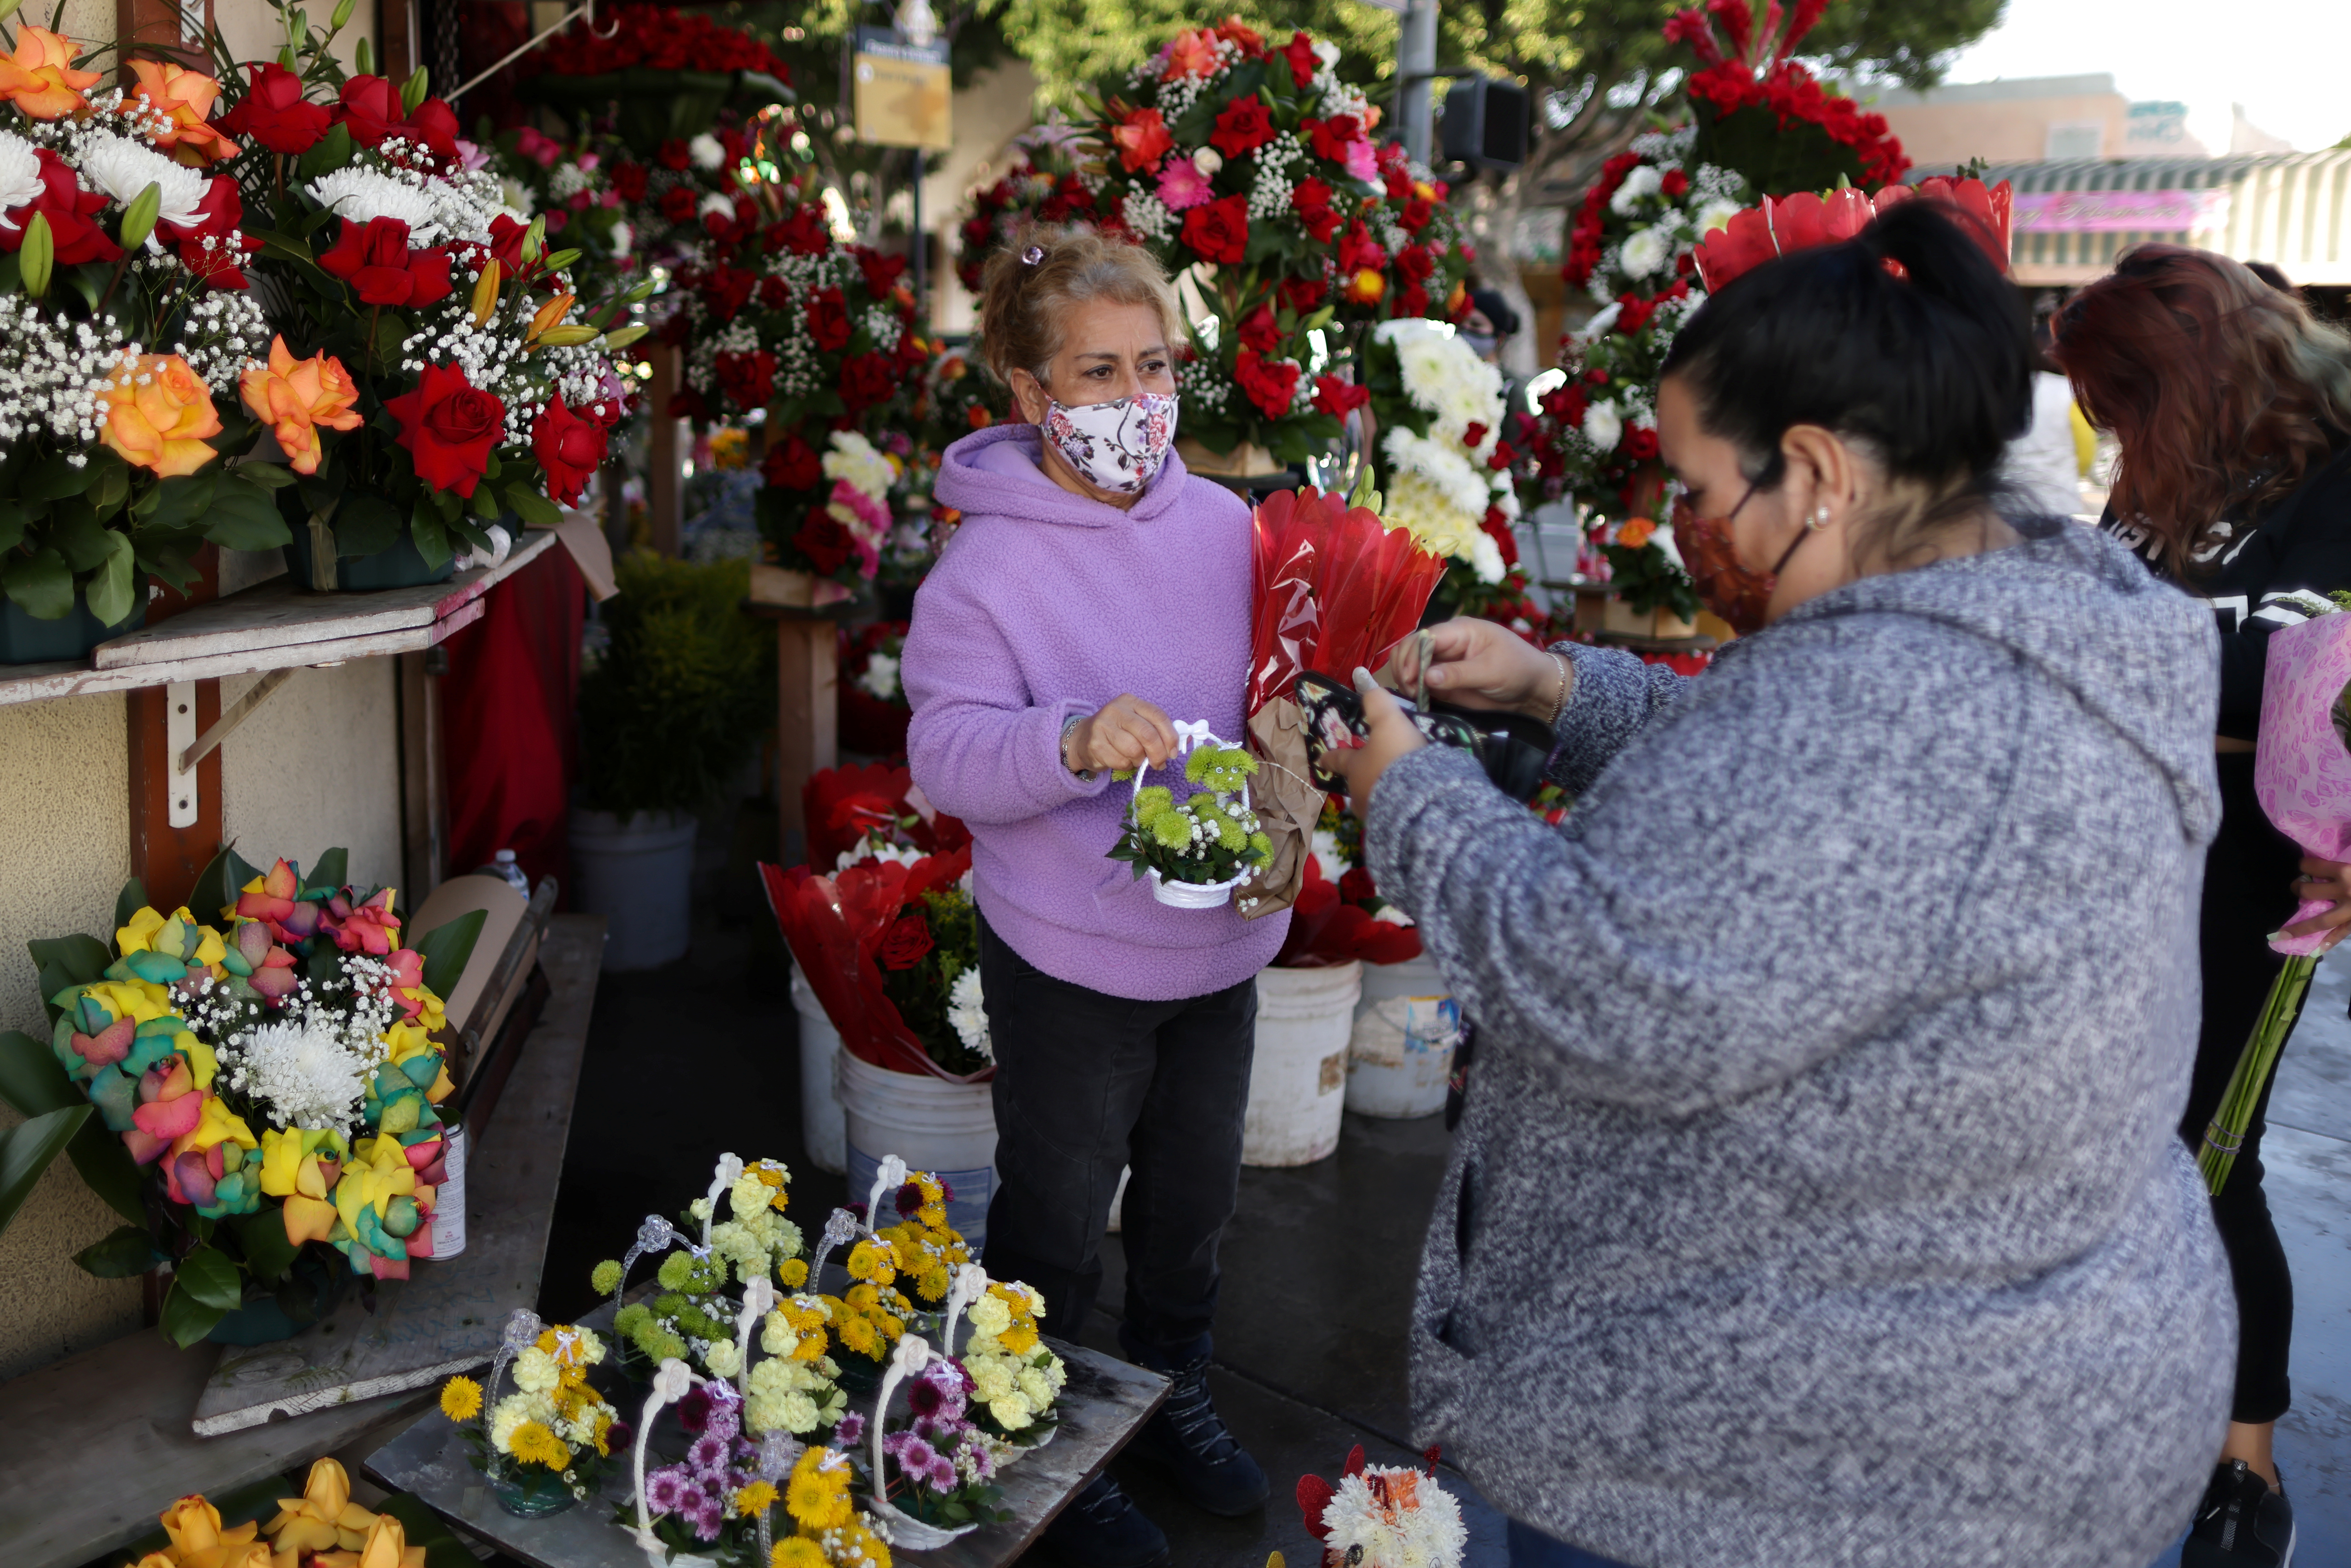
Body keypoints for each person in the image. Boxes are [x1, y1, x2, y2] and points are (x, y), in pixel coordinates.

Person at [1321, 200, 2234, 1567]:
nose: (1697, 531)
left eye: (1698, 490)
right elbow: (1830, 823)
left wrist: (1410, 793)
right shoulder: (2043, 624)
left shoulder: (1877, 702)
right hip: (2015, 1394)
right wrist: (1562, 685)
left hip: (1805, 1470)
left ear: (1813, 473)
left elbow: (1589, 974)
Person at [900, 225, 1287, 1568]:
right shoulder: (985, 572)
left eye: (1154, 366)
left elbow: (1280, 698)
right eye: (1097, 374)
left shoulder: (1233, 529)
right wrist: (1066, 739)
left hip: (1220, 945)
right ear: (1025, 392)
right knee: (1055, 1220)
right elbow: (943, 755)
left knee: (1192, 1208)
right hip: (1065, 962)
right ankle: (1040, 1431)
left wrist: (1306, 773)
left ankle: (1168, 1382)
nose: (1134, 402)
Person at [2056, 244, 2351, 1567]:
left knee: (2208, 1154)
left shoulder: (2336, 475)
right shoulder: (2151, 484)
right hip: (2126, 850)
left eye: (2120, 397)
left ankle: (2247, 1468)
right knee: (2119, 1143)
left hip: (2256, 868)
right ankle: (2127, 1397)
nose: (2110, 430)